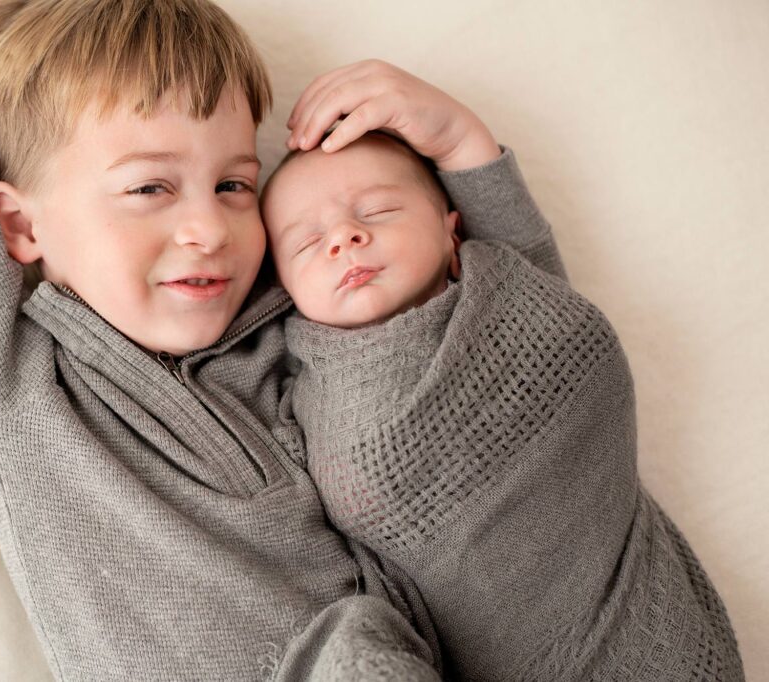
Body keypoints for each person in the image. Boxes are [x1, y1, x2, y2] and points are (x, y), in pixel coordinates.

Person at [0, 0, 464, 679]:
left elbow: (518, 368)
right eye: (149, 187)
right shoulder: (11, 382)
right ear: (21, 226)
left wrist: (466, 152)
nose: (209, 226)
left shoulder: (304, 325)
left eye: (233, 184)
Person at [260, 60, 745, 680]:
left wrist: (459, 133)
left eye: (378, 211)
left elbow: (487, 188)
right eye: (306, 242)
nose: (344, 238)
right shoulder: (295, 384)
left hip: (645, 623)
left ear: (451, 230)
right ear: (283, 288)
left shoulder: (508, 282)